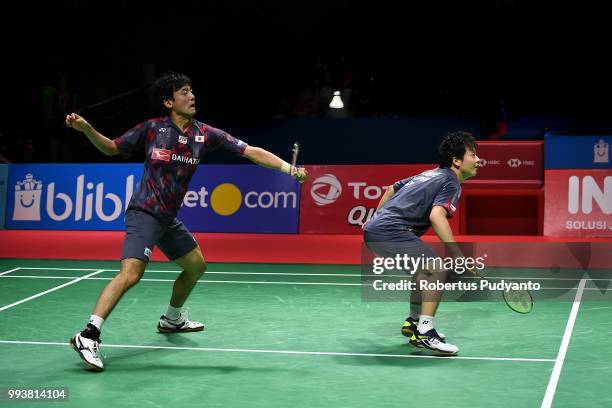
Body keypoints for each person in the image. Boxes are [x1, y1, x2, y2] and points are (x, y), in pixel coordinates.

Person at [66, 72, 308, 371]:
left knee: (196, 267)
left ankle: (171, 318)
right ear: (169, 101)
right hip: (144, 211)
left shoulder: (205, 134)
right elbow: (111, 148)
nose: (192, 97)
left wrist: (288, 168)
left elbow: (251, 152)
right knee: (131, 273)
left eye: (192, 91)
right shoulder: (152, 129)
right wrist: (87, 128)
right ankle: (89, 334)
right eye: (184, 92)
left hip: (168, 218)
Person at [363, 131, 479, 355]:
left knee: (423, 270)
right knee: (435, 269)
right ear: (456, 160)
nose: (478, 160)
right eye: (472, 155)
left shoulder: (429, 174)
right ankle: (426, 332)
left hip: (377, 231)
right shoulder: (451, 182)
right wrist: (459, 256)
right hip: (391, 231)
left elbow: (390, 189)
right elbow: (437, 217)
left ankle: (414, 323)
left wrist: (374, 219)